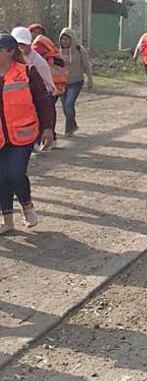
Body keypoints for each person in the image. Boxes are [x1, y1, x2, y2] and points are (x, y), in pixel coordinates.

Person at [0, 33, 55, 234]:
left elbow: (43, 101)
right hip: (0, 137)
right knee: (1, 177)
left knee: (14, 173)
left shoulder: (27, 71)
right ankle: (7, 221)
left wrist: (48, 128)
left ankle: (27, 205)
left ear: (10, 52)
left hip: (23, 134)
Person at [57, 27, 92, 136]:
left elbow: (86, 65)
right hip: (61, 83)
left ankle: (69, 129)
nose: (64, 41)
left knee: (69, 103)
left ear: (72, 40)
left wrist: (90, 79)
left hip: (76, 82)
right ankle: (73, 124)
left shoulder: (79, 50)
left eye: (67, 39)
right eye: (62, 39)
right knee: (65, 106)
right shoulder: (57, 51)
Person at [11, 27, 55, 96]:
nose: (20, 48)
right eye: (17, 45)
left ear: (29, 44)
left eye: (23, 45)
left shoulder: (39, 62)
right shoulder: (7, 59)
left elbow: (50, 88)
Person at [29, 24, 66, 99]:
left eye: (39, 32)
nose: (36, 34)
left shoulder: (40, 43)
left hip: (48, 83)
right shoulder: (49, 45)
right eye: (34, 32)